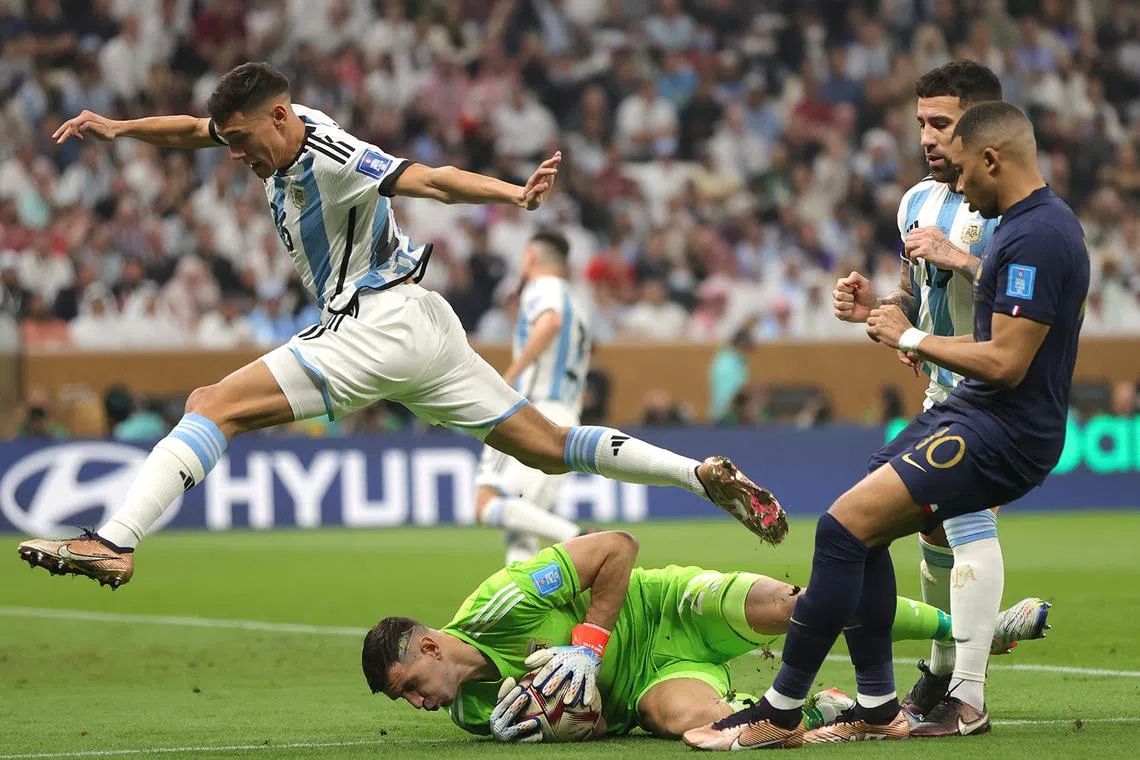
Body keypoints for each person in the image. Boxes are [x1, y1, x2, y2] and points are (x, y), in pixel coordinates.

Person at [17, 62, 787, 589]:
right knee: (548, 451)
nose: (240, 155)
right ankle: (699, 474)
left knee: (209, 404)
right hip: (424, 326)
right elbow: (194, 130)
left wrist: (513, 196)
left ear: (280, 117)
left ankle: (113, 542)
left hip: (373, 323)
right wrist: (118, 129)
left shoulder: (327, 149)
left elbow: (426, 179)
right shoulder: (256, 132)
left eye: (247, 140)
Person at [684, 101, 1088, 749]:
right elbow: (920, 302)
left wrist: (918, 333)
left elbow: (1009, 355)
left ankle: (798, 708)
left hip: (998, 420)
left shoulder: (1031, 232)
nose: (953, 180)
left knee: (851, 529)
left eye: (950, 146)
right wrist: (885, 312)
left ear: (987, 151)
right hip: (959, 407)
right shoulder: (975, 214)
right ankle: (883, 702)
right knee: (860, 529)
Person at [361, 531, 1048, 743]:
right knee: (707, 733)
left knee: (799, 606)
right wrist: (575, 721)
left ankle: (976, 633)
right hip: (645, 687)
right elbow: (600, 723)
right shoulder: (479, 716)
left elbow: (616, 548)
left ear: (427, 649)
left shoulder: (501, 604)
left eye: (411, 689)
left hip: (665, 606)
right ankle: (822, 711)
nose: (422, 705)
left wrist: (588, 644)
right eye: (409, 704)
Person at [831, 61, 1022, 734]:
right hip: (939, 392)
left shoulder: (1011, 207)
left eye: (940, 123)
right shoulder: (915, 201)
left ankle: (968, 693)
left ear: (978, 127)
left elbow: (1029, 296)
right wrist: (877, 307)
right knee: (933, 531)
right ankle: (943, 669)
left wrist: (965, 259)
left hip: (992, 394)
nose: (927, 137)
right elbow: (920, 295)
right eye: (921, 123)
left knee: (965, 521)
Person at [473, 229, 592, 563]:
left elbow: (549, 321)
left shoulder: (544, 287)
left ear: (530, 257)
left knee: (486, 503)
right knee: (522, 527)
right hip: (564, 414)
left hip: (534, 413)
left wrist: (511, 374)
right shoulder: (577, 302)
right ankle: (520, 609)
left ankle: (579, 538)